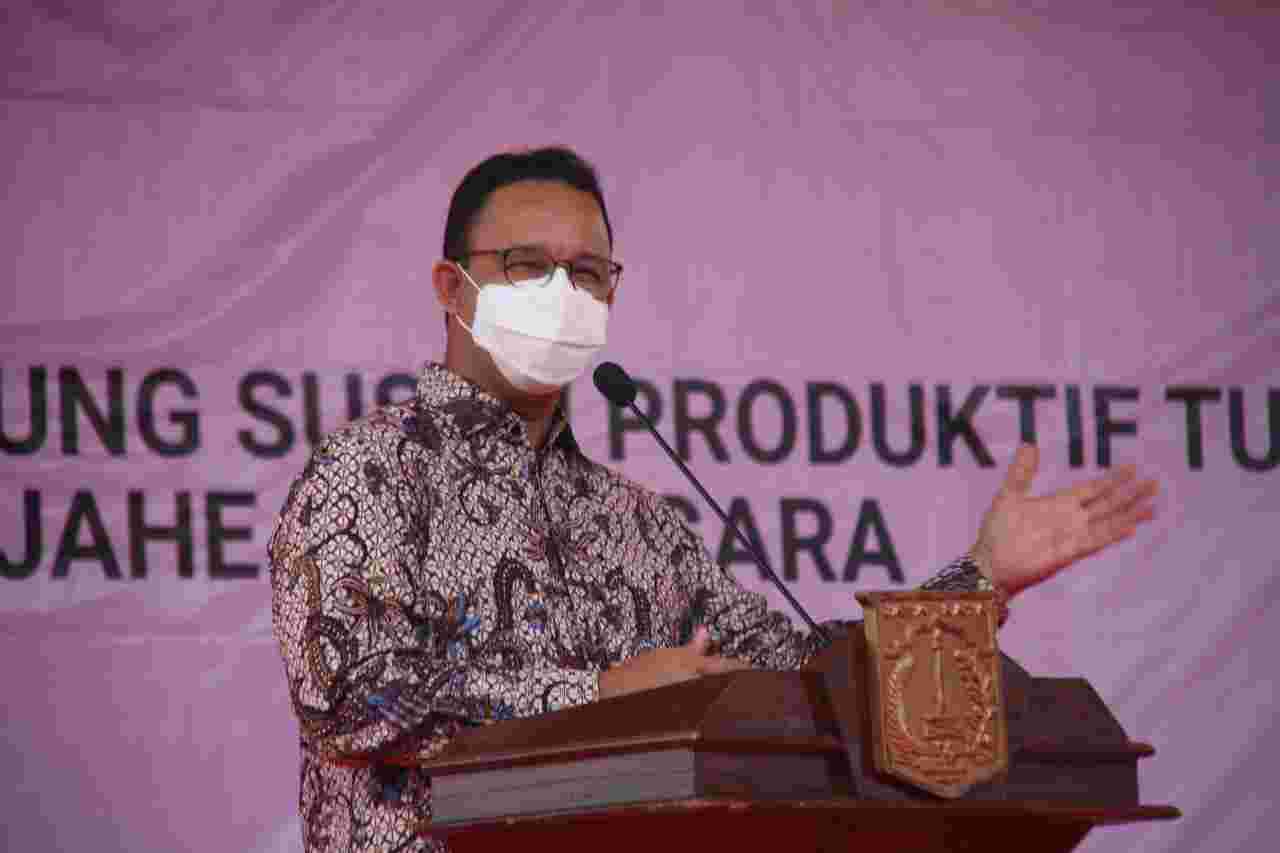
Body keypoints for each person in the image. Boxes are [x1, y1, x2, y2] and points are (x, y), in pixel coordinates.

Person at [268, 146, 1158, 852]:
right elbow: (349, 696)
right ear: (449, 287)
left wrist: (982, 579)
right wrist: (599, 692)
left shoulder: (639, 523)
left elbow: (803, 673)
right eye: (525, 265)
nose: (561, 294)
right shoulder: (370, 470)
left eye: (586, 273)